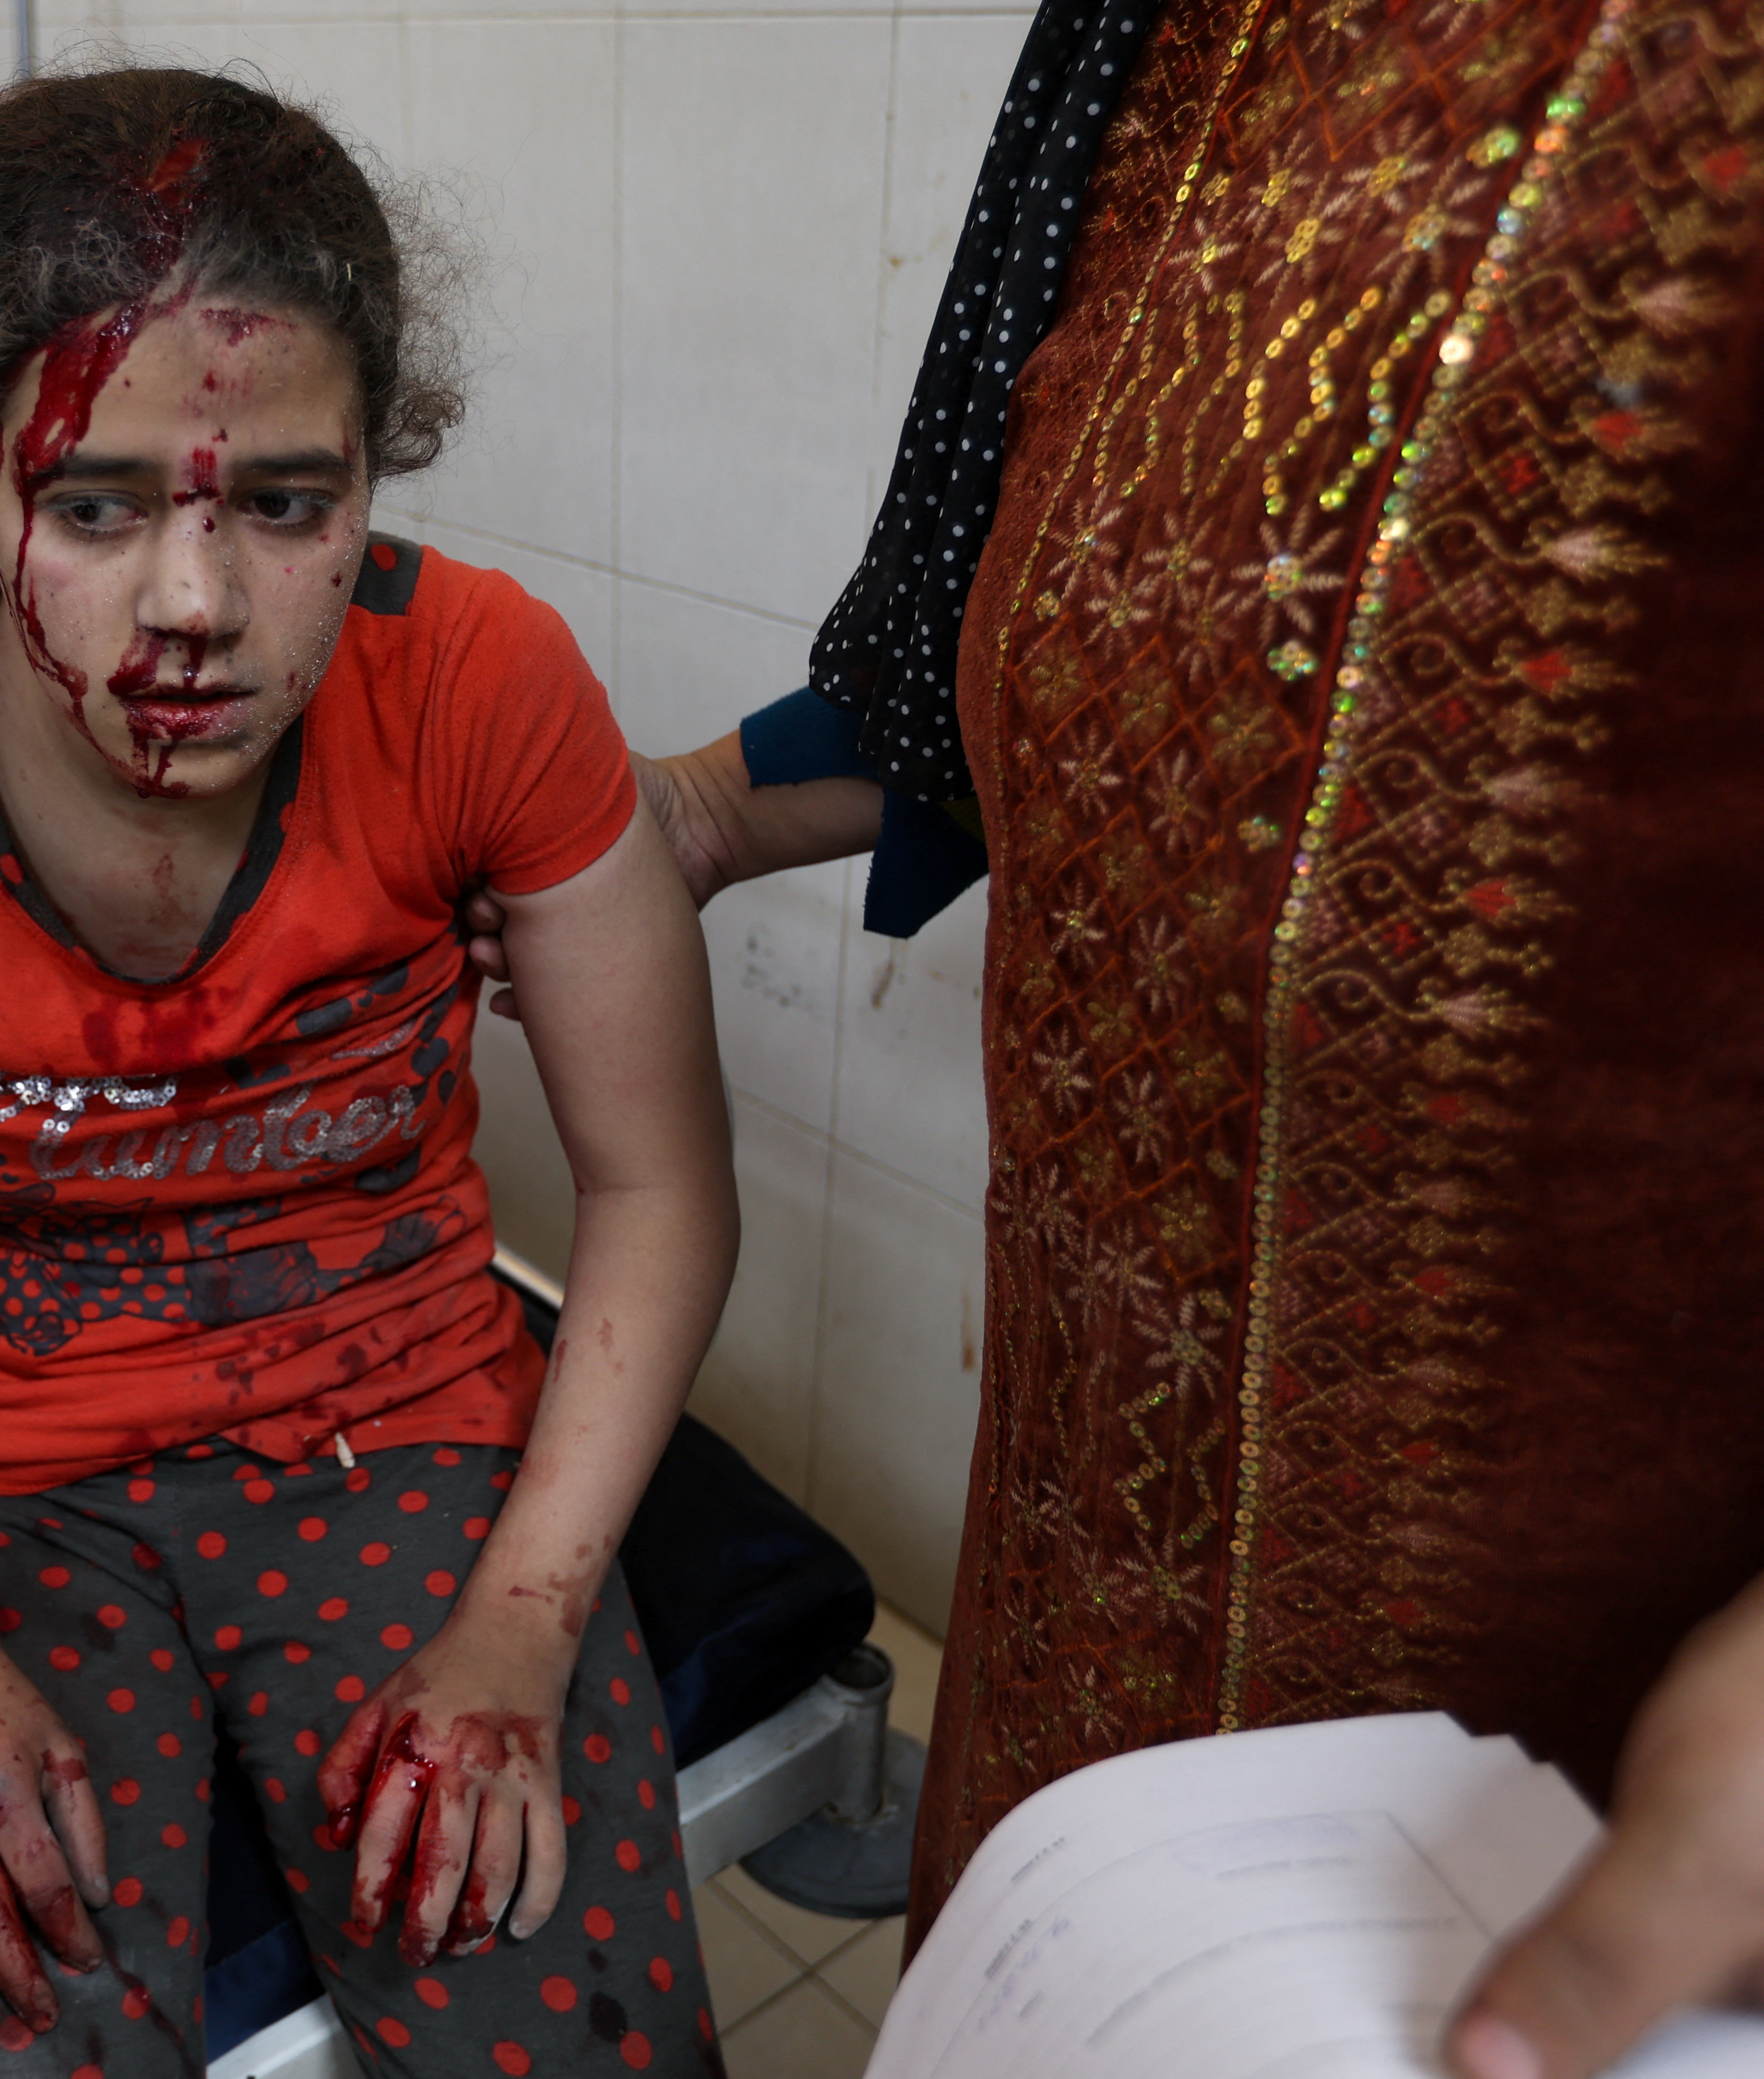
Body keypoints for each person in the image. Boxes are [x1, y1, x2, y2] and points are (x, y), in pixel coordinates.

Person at [474, 2, 1764, 2074]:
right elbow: (988, 628)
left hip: (1586, 1712)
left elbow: (651, 1201)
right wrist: (695, 815)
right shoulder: (1153, 34)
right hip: (1086, 1574)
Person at [0, 66, 740, 2078]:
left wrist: (523, 1619)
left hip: (405, 1424)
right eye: (92, 508)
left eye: (286, 505)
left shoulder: (484, 680)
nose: (193, 608)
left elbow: (654, 1187)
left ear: (373, 472)